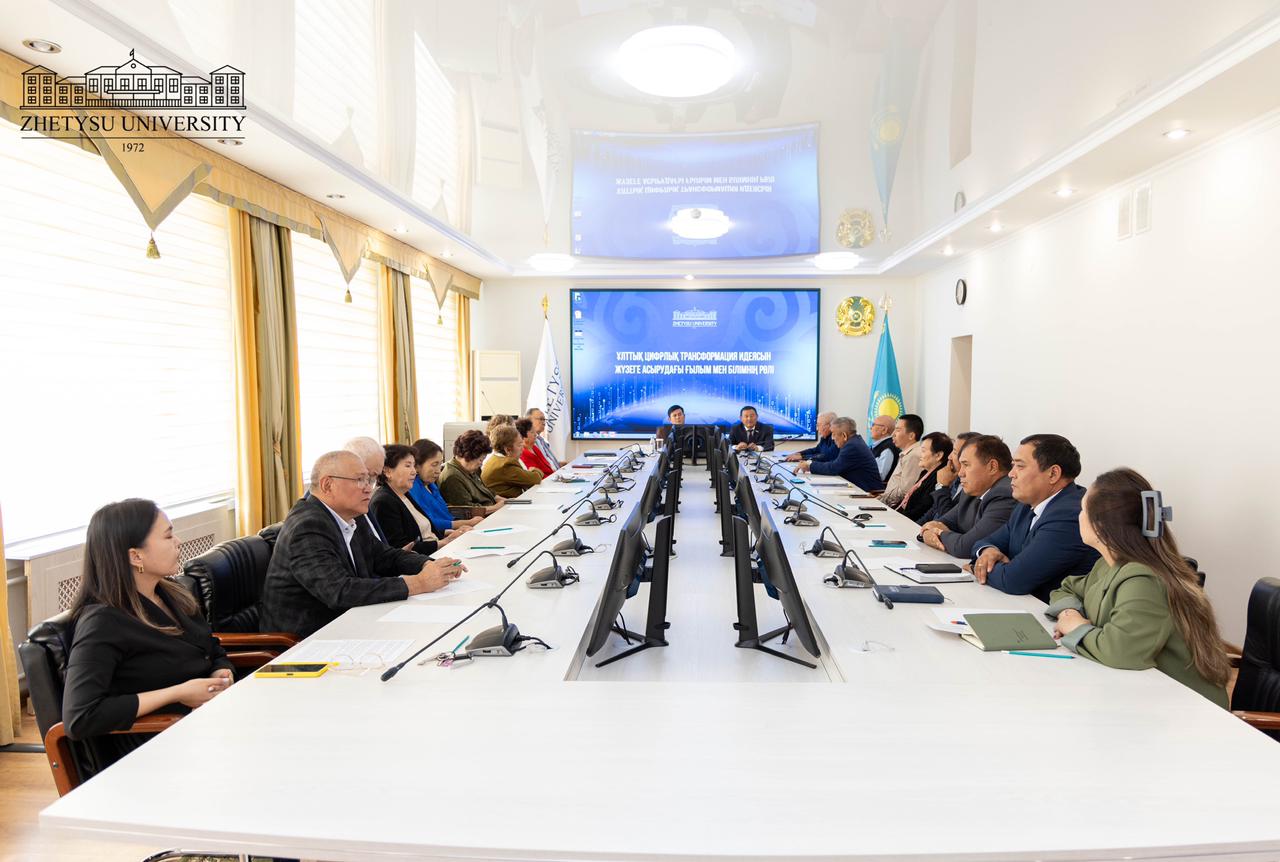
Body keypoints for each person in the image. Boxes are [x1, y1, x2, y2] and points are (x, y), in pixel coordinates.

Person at [61, 499, 234, 774]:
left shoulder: (172, 593)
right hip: (158, 752)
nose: (178, 542)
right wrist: (178, 693)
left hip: (205, 727)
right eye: (168, 536)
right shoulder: (102, 622)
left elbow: (210, 649)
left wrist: (221, 672)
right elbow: (80, 717)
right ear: (135, 556)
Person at [1045, 468, 1230, 706]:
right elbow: (1068, 588)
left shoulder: (1143, 579)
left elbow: (1121, 650)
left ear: (1101, 526)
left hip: (1185, 709)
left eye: (1083, 510)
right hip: (1142, 695)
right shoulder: (1109, 564)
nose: (1078, 516)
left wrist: (1076, 627)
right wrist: (1069, 613)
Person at [258, 451, 464, 639]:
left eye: (370, 480)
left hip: (350, 624)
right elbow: (339, 591)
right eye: (360, 480)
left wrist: (428, 564)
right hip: (307, 641)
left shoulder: (350, 516)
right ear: (327, 485)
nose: (369, 488)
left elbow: (384, 556)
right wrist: (418, 583)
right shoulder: (308, 526)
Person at [970, 434, 1099, 602]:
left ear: (1053, 474)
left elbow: (1014, 580)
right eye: (1012, 466)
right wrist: (988, 551)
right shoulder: (1026, 505)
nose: (1011, 474)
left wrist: (978, 567)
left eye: (1020, 466)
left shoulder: (1070, 515)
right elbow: (983, 542)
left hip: (1050, 613)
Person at [919, 434, 1014, 558]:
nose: (960, 473)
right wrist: (928, 532)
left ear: (992, 467)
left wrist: (939, 533)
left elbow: (964, 547)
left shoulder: (1005, 494)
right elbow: (937, 523)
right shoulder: (973, 490)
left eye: (966, 465)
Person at [370, 444, 468, 556]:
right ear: (387, 471)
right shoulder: (383, 502)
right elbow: (400, 547)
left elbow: (421, 530)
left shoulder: (404, 494)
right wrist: (443, 542)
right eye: (408, 466)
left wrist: (449, 533)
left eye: (413, 466)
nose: (414, 471)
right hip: (424, 558)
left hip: (436, 550)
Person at [407, 438, 485, 536]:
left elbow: (445, 513)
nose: (438, 470)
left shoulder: (431, 485)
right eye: (434, 465)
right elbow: (428, 522)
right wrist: (466, 523)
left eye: (440, 464)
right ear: (417, 465)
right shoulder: (413, 487)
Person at [795, 417, 883, 490]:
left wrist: (809, 466)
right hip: (857, 488)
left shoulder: (852, 446)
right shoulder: (854, 441)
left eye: (833, 434)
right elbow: (835, 463)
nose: (832, 438)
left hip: (868, 493)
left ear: (844, 435)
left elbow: (833, 468)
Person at [916, 431, 978, 525]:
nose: (949, 457)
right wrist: (916, 528)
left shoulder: (972, 487)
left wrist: (942, 487)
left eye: (955, 452)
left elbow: (947, 520)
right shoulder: (955, 478)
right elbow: (934, 511)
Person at [439, 430, 506, 517]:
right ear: (469, 456)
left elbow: (486, 492)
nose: (481, 463)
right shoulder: (452, 477)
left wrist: (506, 501)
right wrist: (497, 507)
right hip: (481, 519)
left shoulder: (470, 469)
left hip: (491, 512)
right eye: (481, 459)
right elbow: (468, 510)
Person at [344, 436, 397, 544]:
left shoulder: (359, 504)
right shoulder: (317, 520)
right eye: (366, 477)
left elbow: (378, 549)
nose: (369, 488)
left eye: (373, 478)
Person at [897, 431, 952, 523]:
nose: (919, 454)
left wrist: (897, 518)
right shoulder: (925, 473)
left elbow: (921, 509)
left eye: (923, 451)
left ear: (938, 455)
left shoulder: (938, 477)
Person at [482, 424, 545, 498]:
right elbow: (535, 479)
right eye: (519, 445)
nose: (522, 448)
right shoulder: (505, 465)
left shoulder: (495, 459)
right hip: (509, 503)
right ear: (508, 449)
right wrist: (534, 470)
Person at [878, 413, 924, 508]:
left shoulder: (913, 456)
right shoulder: (907, 454)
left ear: (911, 436)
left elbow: (905, 491)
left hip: (895, 508)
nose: (893, 434)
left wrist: (881, 499)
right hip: (888, 503)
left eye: (898, 430)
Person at [867, 414, 900, 482]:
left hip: (876, 487)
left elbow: (880, 476)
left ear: (884, 430)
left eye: (873, 425)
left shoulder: (888, 448)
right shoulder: (878, 446)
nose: (870, 428)